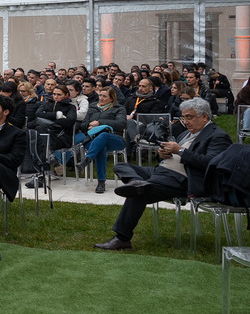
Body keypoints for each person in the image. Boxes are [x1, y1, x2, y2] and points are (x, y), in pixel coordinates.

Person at [94, 97, 231, 251]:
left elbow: (211, 163)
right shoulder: (187, 133)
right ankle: (137, 182)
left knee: (138, 193)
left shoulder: (218, 136)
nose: (185, 122)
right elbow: (175, 155)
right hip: (161, 172)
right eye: (183, 117)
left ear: (205, 117)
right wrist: (163, 154)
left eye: (189, 117)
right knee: (121, 166)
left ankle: (122, 238)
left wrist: (180, 150)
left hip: (182, 179)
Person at [81, 86, 127, 193]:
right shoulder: (92, 107)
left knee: (103, 136)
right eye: (100, 95)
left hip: (114, 138)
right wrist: (88, 125)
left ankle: (88, 158)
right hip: (92, 139)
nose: (101, 98)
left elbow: (121, 124)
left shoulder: (119, 108)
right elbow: (82, 125)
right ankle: (101, 182)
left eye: (104, 96)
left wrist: (100, 123)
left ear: (112, 98)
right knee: (101, 146)